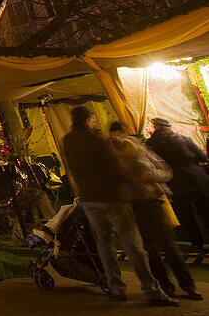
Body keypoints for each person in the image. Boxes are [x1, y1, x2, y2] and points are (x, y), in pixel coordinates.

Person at [61, 106, 176, 305]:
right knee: (133, 244)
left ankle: (116, 288)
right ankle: (151, 290)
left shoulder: (67, 141)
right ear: (88, 120)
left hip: (89, 199)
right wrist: (134, 181)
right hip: (112, 197)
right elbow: (114, 168)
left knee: (104, 244)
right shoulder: (98, 141)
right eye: (93, 119)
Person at [110, 122, 202, 300]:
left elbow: (166, 172)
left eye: (118, 136)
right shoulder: (111, 159)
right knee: (149, 248)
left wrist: (145, 176)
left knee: (168, 245)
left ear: (125, 135)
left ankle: (188, 285)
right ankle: (165, 286)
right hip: (131, 206)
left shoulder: (141, 151)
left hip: (151, 202)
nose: (116, 140)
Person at [146, 117, 209, 252]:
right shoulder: (184, 139)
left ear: (155, 127)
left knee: (186, 215)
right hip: (196, 180)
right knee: (205, 211)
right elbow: (202, 157)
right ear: (168, 127)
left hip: (174, 183)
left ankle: (197, 243)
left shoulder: (150, 144)